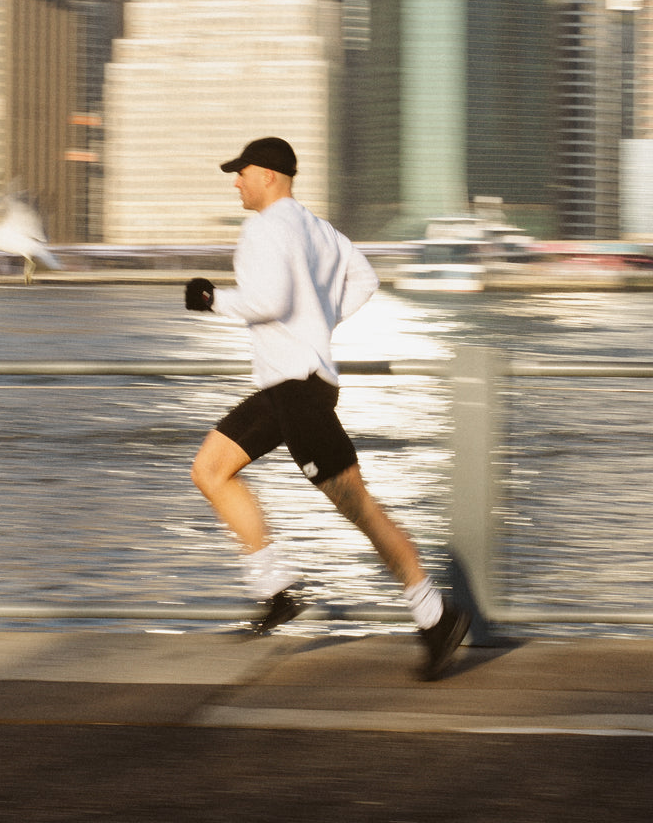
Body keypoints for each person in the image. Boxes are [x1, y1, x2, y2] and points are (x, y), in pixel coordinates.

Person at [185, 137, 470, 680]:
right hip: (287, 388)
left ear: (268, 175)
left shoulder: (264, 229)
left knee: (360, 508)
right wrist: (321, 321)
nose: (236, 182)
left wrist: (210, 299)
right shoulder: (316, 227)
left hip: (298, 394)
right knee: (210, 470)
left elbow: (269, 303)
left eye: (241, 173)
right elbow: (365, 277)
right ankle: (275, 591)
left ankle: (436, 618)